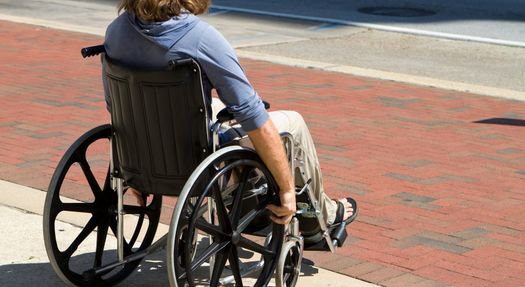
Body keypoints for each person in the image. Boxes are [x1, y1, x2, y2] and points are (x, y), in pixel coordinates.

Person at [103, 0, 354, 228]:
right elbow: (254, 118)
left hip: (142, 162)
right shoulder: (200, 38)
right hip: (199, 170)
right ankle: (324, 212)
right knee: (293, 121)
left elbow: (118, 110)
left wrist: (135, 175)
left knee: (205, 104)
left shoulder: (116, 32)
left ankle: (252, 190)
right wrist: (286, 189)